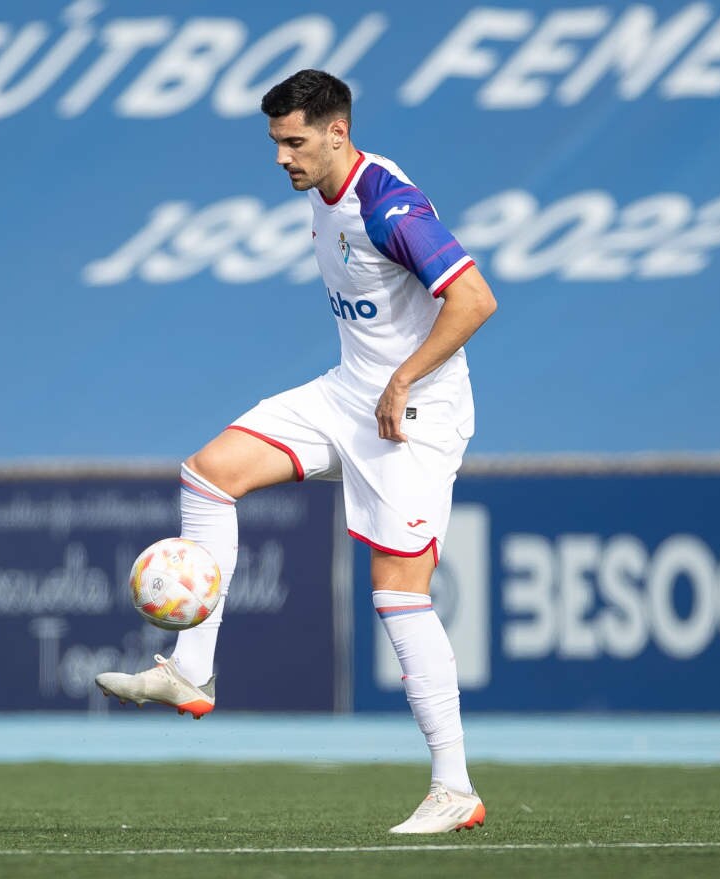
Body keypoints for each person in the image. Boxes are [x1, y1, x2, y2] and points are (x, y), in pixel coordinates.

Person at [96, 69, 498, 835]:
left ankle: (454, 787)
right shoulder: (324, 193)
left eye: (294, 141)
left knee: (398, 594)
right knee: (210, 474)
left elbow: (475, 298)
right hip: (350, 391)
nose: (282, 157)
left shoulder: (389, 206)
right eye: (276, 143)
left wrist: (403, 380)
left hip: (415, 413)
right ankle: (192, 667)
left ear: (336, 132)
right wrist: (377, 380)